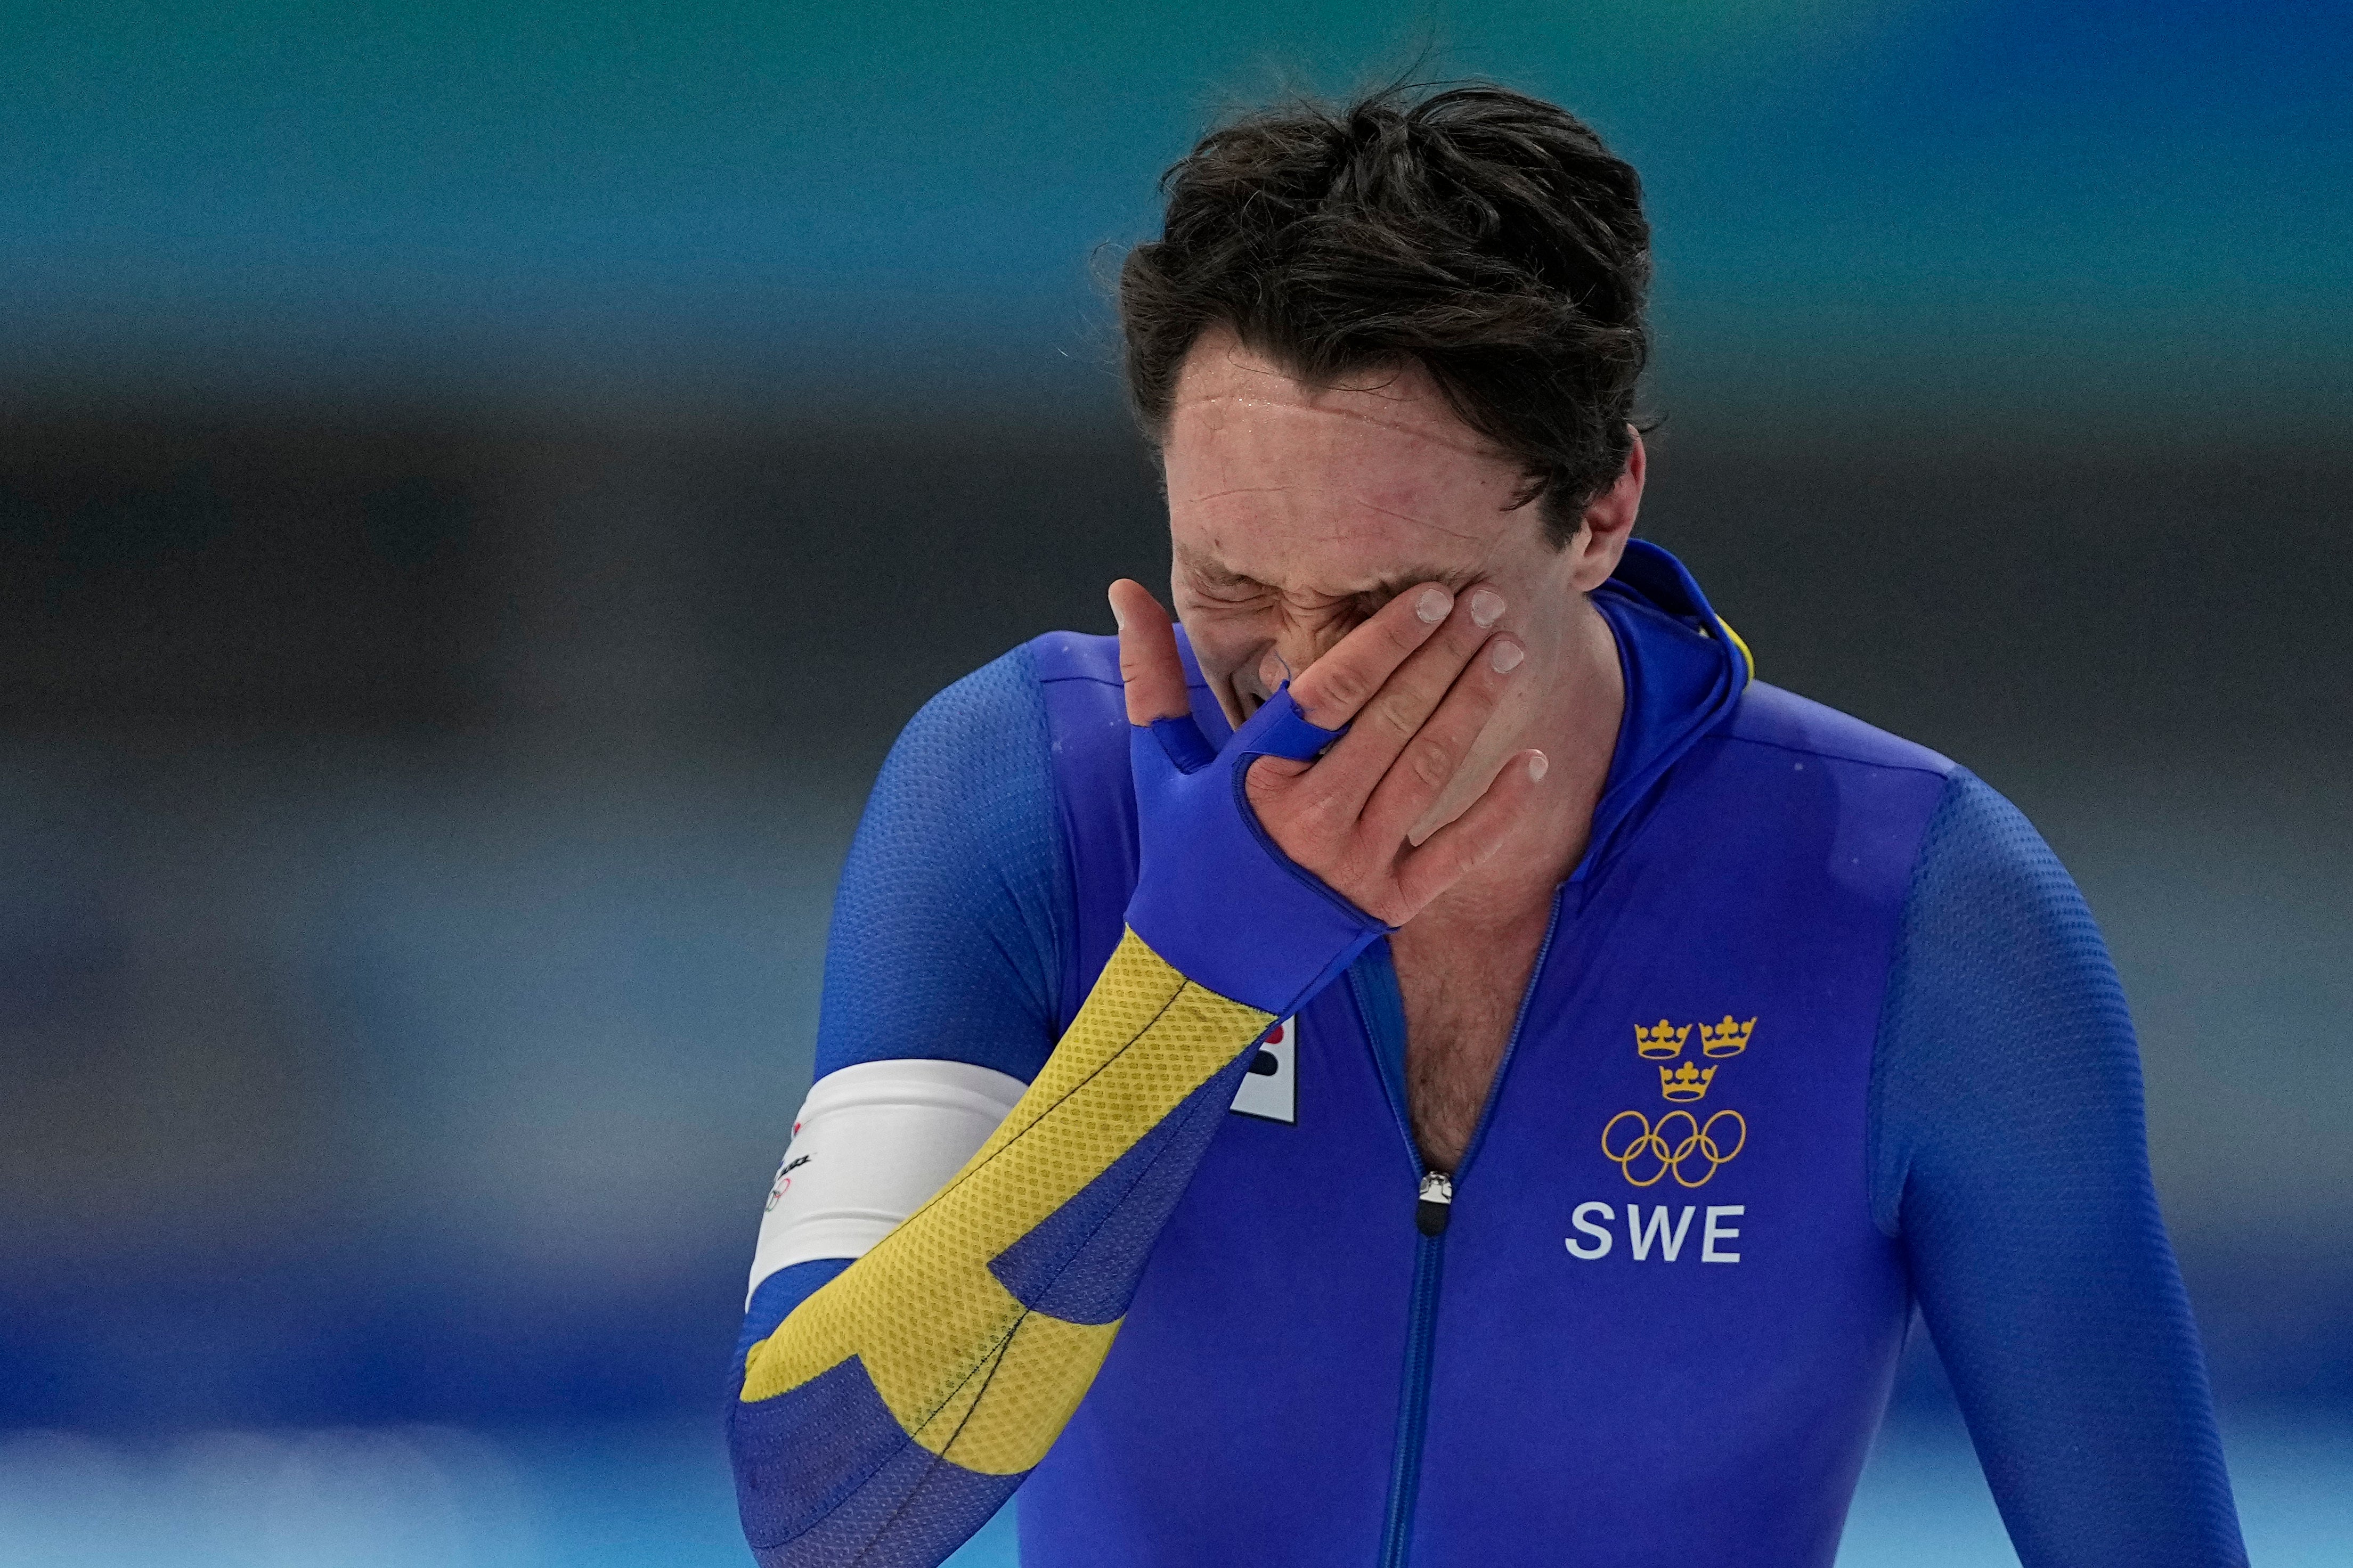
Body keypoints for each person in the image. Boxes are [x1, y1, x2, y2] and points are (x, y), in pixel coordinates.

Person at [725, 84, 2246, 1567]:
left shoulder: (1923, 910)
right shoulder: (1020, 799)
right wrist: (1185, 990)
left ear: (1596, 514)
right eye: (1232, 591)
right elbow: (825, 1516)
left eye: (1394, 611)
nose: (1307, 686)